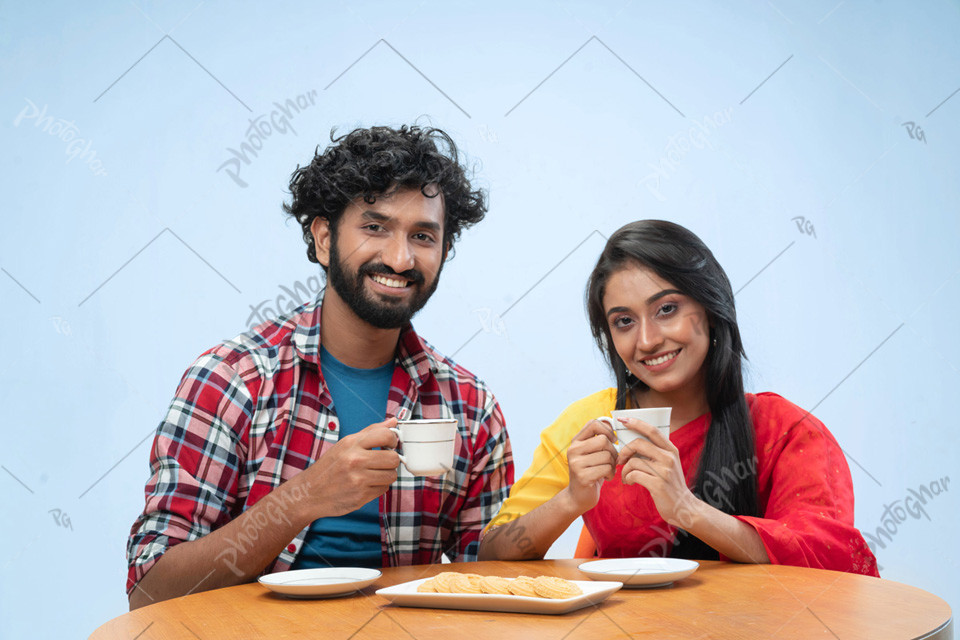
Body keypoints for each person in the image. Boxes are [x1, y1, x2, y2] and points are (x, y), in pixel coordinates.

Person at [127, 125, 514, 608]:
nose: (399, 257)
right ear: (324, 238)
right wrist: (303, 497)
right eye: (375, 227)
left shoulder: (471, 408)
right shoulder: (232, 380)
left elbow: (496, 581)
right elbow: (150, 591)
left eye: (423, 236)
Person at [479, 220, 878, 576]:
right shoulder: (591, 423)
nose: (648, 340)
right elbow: (492, 553)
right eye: (624, 322)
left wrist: (687, 509)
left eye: (666, 309)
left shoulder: (785, 431)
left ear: (710, 307)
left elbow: (832, 562)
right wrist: (570, 500)